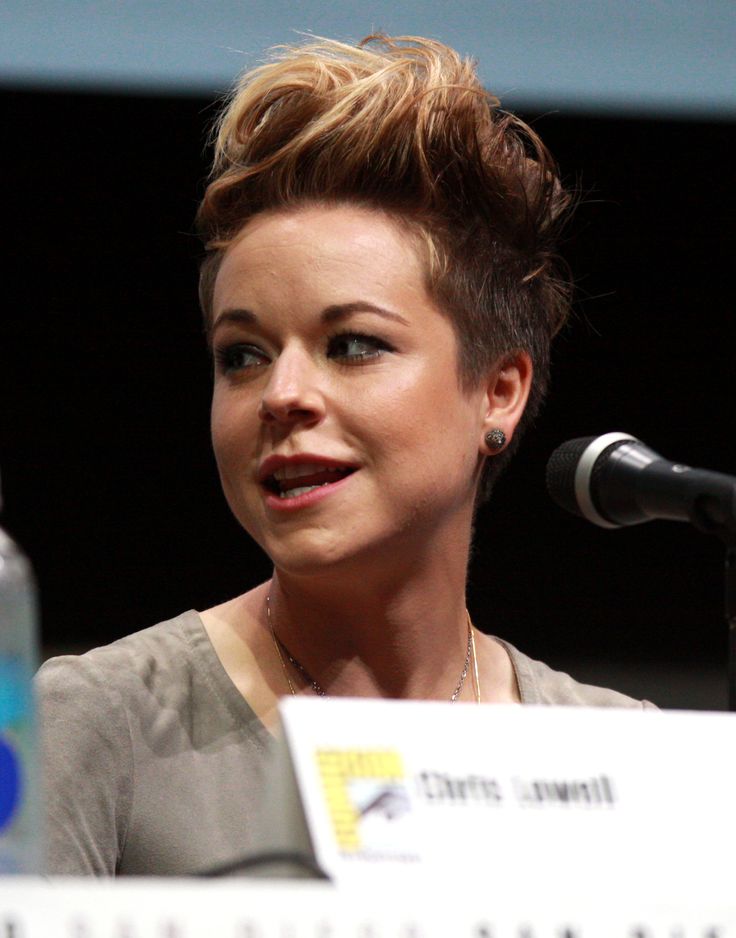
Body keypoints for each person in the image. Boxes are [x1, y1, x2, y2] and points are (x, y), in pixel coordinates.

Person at [37, 34, 655, 877]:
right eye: (242, 356)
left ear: (499, 390)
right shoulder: (96, 725)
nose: (282, 394)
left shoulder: (622, 755)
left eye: (353, 345)